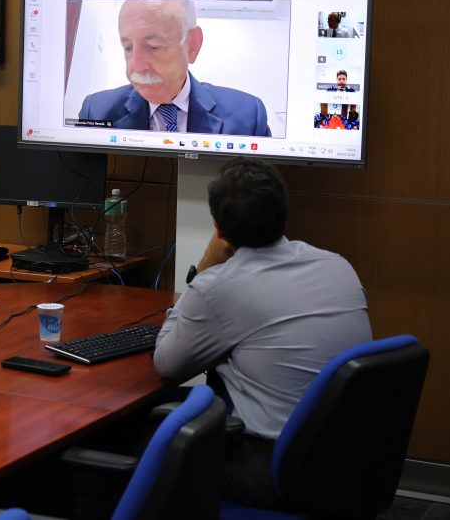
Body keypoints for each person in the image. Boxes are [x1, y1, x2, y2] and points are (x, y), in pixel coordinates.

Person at [153, 158, 371, 509]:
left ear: (218, 229)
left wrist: (203, 270)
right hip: (352, 465)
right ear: (284, 213)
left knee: (144, 453)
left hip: (279, 471)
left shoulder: (218, 287)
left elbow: (167, 363)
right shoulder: (338, 265)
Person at [78, 0, 271, 136]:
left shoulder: (248, 116)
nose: (135, 68)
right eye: (128, 47)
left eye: (153, 47)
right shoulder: (96, 112)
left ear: (192, 45)